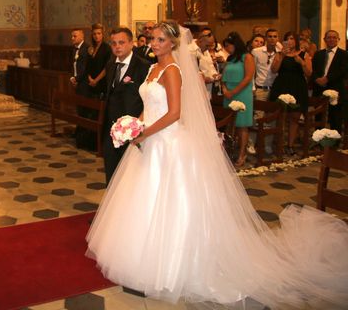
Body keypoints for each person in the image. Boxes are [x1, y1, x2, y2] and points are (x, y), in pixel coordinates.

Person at [86, 21, 348, 308]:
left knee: (171, 203)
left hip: (166, 142)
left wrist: (143, 132)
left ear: (173, 44)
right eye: (153, 38)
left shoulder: (173, 71)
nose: (154, 43)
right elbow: (147, 105)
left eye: (160, 39)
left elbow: (175, 113)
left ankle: (168, 267)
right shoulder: (152, 68)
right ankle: (137, 259)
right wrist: (137, 125)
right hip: (147, 140)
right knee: (142, 202)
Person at [101, 27, 150, 183]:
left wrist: (139, 126)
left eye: (121, 42)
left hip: (132, 130)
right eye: (114, 43)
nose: (117, 47)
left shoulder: (143, 66)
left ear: (131, 43)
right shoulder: (110, 65)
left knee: (130, 176)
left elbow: (147, 99)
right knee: (111, 171)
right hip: (111, 129)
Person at [221, 32, 255, 167]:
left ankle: (242, 153)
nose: (227, 49)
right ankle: (229, 152)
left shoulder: (247, 57)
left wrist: (233, 92)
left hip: (242, 93)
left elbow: (248, 77)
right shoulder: (230, 59)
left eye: (228, 46)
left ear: (235, 45)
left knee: (242, 126)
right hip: (228, 92)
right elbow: (223, 76)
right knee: (229, 124)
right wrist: (224, 89)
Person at [311, 30, 348, 131]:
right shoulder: (318, 54)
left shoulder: (344, 54)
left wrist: (327, 79)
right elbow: (312, 70)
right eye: (329, 37)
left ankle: (334, 143)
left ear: (338, 39)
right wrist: (317, 79)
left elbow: (343, 70)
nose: (331, 39)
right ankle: (318, 141)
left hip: (336, 88)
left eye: (334, 37)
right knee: (318, 116)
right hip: (319, 88)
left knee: (335, 117)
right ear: (324, 40)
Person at [70, 28, 90, 148]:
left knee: (83, 109)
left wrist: (77, 79)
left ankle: (83, 134)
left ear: (82, 36)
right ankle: (79, 131)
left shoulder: (86, 49)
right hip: (77, 82)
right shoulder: (75, 50)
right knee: (79, 108)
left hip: (84, 84)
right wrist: (73, 77)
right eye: (72, 36)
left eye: (75, 36)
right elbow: (74, 65)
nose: (72, 38)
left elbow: (85, 68)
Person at [85, 23, 112, 98]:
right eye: (94, 34)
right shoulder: (91, 48)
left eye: (99, 33)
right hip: (90, 82)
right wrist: (89, 78)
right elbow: (87, 66)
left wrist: (95, 80)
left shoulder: (107, 48)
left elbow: (107, 67)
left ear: (103, 34)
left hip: (101, 82)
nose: (96, 36)